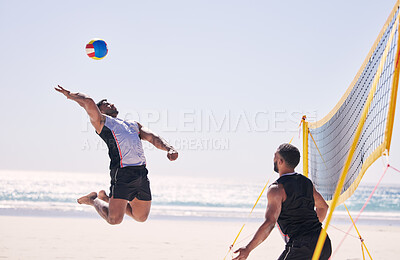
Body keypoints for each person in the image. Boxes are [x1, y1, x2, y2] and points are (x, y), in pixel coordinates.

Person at [54, 85, 178, 225]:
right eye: (106, 104)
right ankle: (93, 199)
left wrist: (169, 148)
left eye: (111, 103)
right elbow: (88, 101)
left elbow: (152, 137)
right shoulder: (103, 123)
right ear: (99, 111)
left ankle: (107, 199)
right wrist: (70, 95)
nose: (111, 104)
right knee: (114, 220)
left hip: (141, 173)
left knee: (141, 217)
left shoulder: (132, 124)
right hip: (122, 174)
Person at [233, 143, 331, 260]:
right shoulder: (306, 183)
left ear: (280, 161)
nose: (273, 159)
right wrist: (309, 229)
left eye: (275, 156)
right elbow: (323, 207)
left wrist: (248, 249)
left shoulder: (277, 189)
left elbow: (270, 223)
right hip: (323, 242)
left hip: (301, 247)